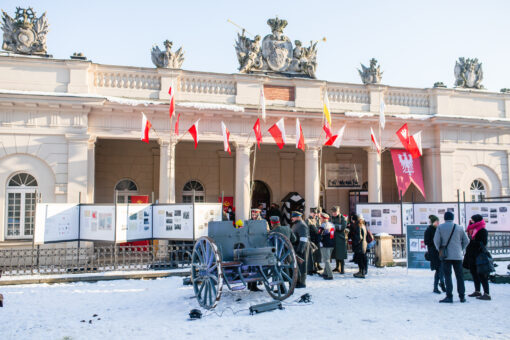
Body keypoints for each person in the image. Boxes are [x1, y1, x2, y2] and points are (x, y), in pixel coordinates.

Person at [433, 211, 469, 303]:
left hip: (446, 255)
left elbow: (436, 240)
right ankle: (462, 296)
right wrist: (460, 249)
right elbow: (466, 240)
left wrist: (440, 249)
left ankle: (449, 296)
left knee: (447, 276)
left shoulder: (440, 227)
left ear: (444, 218)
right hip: (457, 255)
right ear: (453, 218)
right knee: (459, 276)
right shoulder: (459, 227)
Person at [463, 214, 491, 301]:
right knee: (474, 273)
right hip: (471, 255)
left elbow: (483, 243)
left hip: (479, 255)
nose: (471, 221)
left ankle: (486, 293)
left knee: (482, 274)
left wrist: (472, 240)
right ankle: (477, 291)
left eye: (473, 220)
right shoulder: (473, 229)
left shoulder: (482, 230)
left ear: (477, 221)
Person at [424, 215, 446, 294]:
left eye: (438, 221)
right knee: (439, 268)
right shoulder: (429, 230)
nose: (438, 223)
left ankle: (437, 286)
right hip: (433, 252)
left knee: (440, 269)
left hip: (439, 251)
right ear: (433, 222)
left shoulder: (438, 229)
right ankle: (441, 285)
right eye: (437, 222)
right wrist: (435, 242)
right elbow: (426, 241)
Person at [291, 211, 310, 288]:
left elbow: (304, 239)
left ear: (298, 217)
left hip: (302, 247)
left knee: (302, 265)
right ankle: (298, 281)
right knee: (298, 265)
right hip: (297, 247)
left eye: (294, 217)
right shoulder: (296, 224)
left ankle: (302, 282)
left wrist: (300, 250)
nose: (292, 218)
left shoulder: (302, 225)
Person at [330, 206, 348, 274]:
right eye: (333, 212)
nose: (334, 213)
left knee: (341, 254)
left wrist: (334, 226)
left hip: (340, 239)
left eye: (335, 212)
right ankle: (337, 267)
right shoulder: (331, 218)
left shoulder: (342, 218)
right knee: (336, 254)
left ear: (338, 211)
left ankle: (342, 269)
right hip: (334, 238)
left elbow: (343, 227)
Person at [318, 212, 335, 280]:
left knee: (326, 260)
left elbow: (319, 234)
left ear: (323, 219)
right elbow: (332, 235)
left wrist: (319, 242)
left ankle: (330, 275)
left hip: (325, 244)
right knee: (327, 258)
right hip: (332, 244)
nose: (320, 219)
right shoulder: (332, 225)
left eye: (321, 218)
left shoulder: (323, 226)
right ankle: (325, 273)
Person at [306, 207, 322, 274]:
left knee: (317, 254)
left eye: (315, 213)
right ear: (310, 213)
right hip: (311, 239)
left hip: (316, 239)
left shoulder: (315, 220)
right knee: (312, 255)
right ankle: (313, 267)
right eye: (313, 213)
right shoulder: (308, 220)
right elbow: (307, 230)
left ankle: (316, 265)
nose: (315, 214)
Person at [351, 214, 367, 278]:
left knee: (360, 260)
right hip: (363, 244)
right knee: (361, 259)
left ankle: (361, 273)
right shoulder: (363, 225)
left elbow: (359, 237)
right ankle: (361, 271)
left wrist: (355, 243)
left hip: (360, 245)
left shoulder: (358, 226)